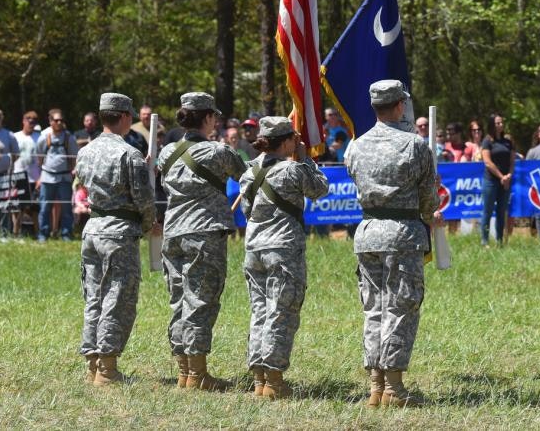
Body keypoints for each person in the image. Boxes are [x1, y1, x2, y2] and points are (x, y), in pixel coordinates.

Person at [345, 80, 441, 408]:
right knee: (400, 308)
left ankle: (376, 386)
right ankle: (394, 388)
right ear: (400, 105)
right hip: (403, 234)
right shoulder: (414, 145)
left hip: (368, 233)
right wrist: (431, 200)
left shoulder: (356, 146)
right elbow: (428, 202)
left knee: (373, 308)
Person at [156, 92, 248, 391]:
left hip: (172, 233)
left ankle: (184, 372)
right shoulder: (218, 152)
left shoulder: (166, 152)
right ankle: (198, 375)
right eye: (214, 117)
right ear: (207, 117)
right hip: (204, 234)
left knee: (178, 299)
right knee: (200, 301)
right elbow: (247, 176)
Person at [239, 116, 329, 399]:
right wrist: (305, 159)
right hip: (283, 250)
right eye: (294, 138)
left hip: (254, 249)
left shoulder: (250, 171)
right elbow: (320, 188)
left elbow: (246, 210)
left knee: (260, 311)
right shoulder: (292, 170)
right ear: (287, 141)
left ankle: (259, 379)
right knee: (281, 312)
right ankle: (274, 380)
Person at [76, 93, 155, 386]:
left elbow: (84, 185)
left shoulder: (85, 151)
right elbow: (144, 200)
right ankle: (107, 369)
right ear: (123, 117)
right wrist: (148, 225)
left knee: (94, 297)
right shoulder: (129, 154)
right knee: (117, 298)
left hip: (93, 229)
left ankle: (92, 364)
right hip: (119, 233)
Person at [36, 109, 79, 241]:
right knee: (44, 208)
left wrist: (73, 172)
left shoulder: (69, 138)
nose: (59, 122)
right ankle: (43, 234)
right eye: (56, 120)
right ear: (50, 121)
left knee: (66, 208)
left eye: (61, 120)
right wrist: (41, 174)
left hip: (64, 177)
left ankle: (66, 234)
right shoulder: (44, 137)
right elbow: (39, 158)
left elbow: (74, 157)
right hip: (47, 177)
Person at [479, 113, 514, 247]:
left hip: (505, 182)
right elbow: (487, 162)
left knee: (501, 211)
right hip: (491, 181)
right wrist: (501, 176)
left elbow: (512, 161)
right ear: (492, 125)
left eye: (502, 122)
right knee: (487, 211)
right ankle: (485, 241)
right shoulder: (487, 141)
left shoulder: (508, 142)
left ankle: (500, 241)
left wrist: (509, 175)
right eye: (498, 123)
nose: (501, 125)